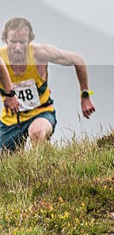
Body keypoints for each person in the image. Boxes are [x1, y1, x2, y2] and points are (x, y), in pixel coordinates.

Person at [0, 17, 96, 153]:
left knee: (37, 132)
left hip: (41, 112)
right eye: (13, 42)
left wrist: (85, 95)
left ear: (30, 40)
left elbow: (78, 60)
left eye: (22, 42)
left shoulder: (40, 54)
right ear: (5, 40)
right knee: (5, 164)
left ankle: (45, 169)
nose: (18, 47)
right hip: (11, 119)